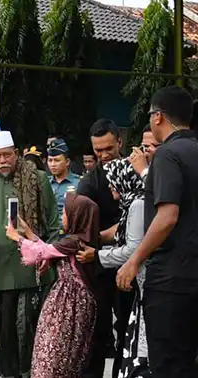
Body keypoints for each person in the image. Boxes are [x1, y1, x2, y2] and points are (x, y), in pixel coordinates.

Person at [116, 86, 198, 378]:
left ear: (158, 116)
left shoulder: (168, 155)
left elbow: (167, 216)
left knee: (168, 365)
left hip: (174, 277)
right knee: (186, 361)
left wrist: (134, 260)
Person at [0, 130, 60, 378]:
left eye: (7, 155)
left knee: (35, 330)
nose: (2, 161)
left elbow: (53, 223)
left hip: (37, 271)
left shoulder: (38, 179)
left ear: (17, 154)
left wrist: (50, 257)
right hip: (1, 270)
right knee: (7, 333)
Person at [7, 193, 99, 378]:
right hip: (66, 302)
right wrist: (28, 233)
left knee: (56, 351)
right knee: (58, 351)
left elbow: (44, 251)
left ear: (77, 216)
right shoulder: (75, 240)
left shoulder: (73, 242)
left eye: (65, 214)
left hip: (70, 305)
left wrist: (17, 238)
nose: (62, 217)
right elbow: (49, 251)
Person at [77, 158, 148, 377]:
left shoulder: (137, 205)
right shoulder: (130, 203)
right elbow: (119, 234)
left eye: (112, 182)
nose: (109, 187)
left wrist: (96, 256)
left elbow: (131, 250)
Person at [78, 118, 125, 378]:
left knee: (130, 330)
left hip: (135, 261)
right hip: (100, 267)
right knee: (98, 330)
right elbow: (79, 230)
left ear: (120, 142)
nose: (104, 155)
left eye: (109, 148)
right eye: (98, 151)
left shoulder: (137, 171)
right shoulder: (89, 183)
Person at [47, 139, 80, 221]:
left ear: (67, 162)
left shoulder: (79, 183)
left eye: (57, 160)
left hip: (70, 231)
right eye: (50, 160)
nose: (52, 164)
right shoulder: (45, 182)